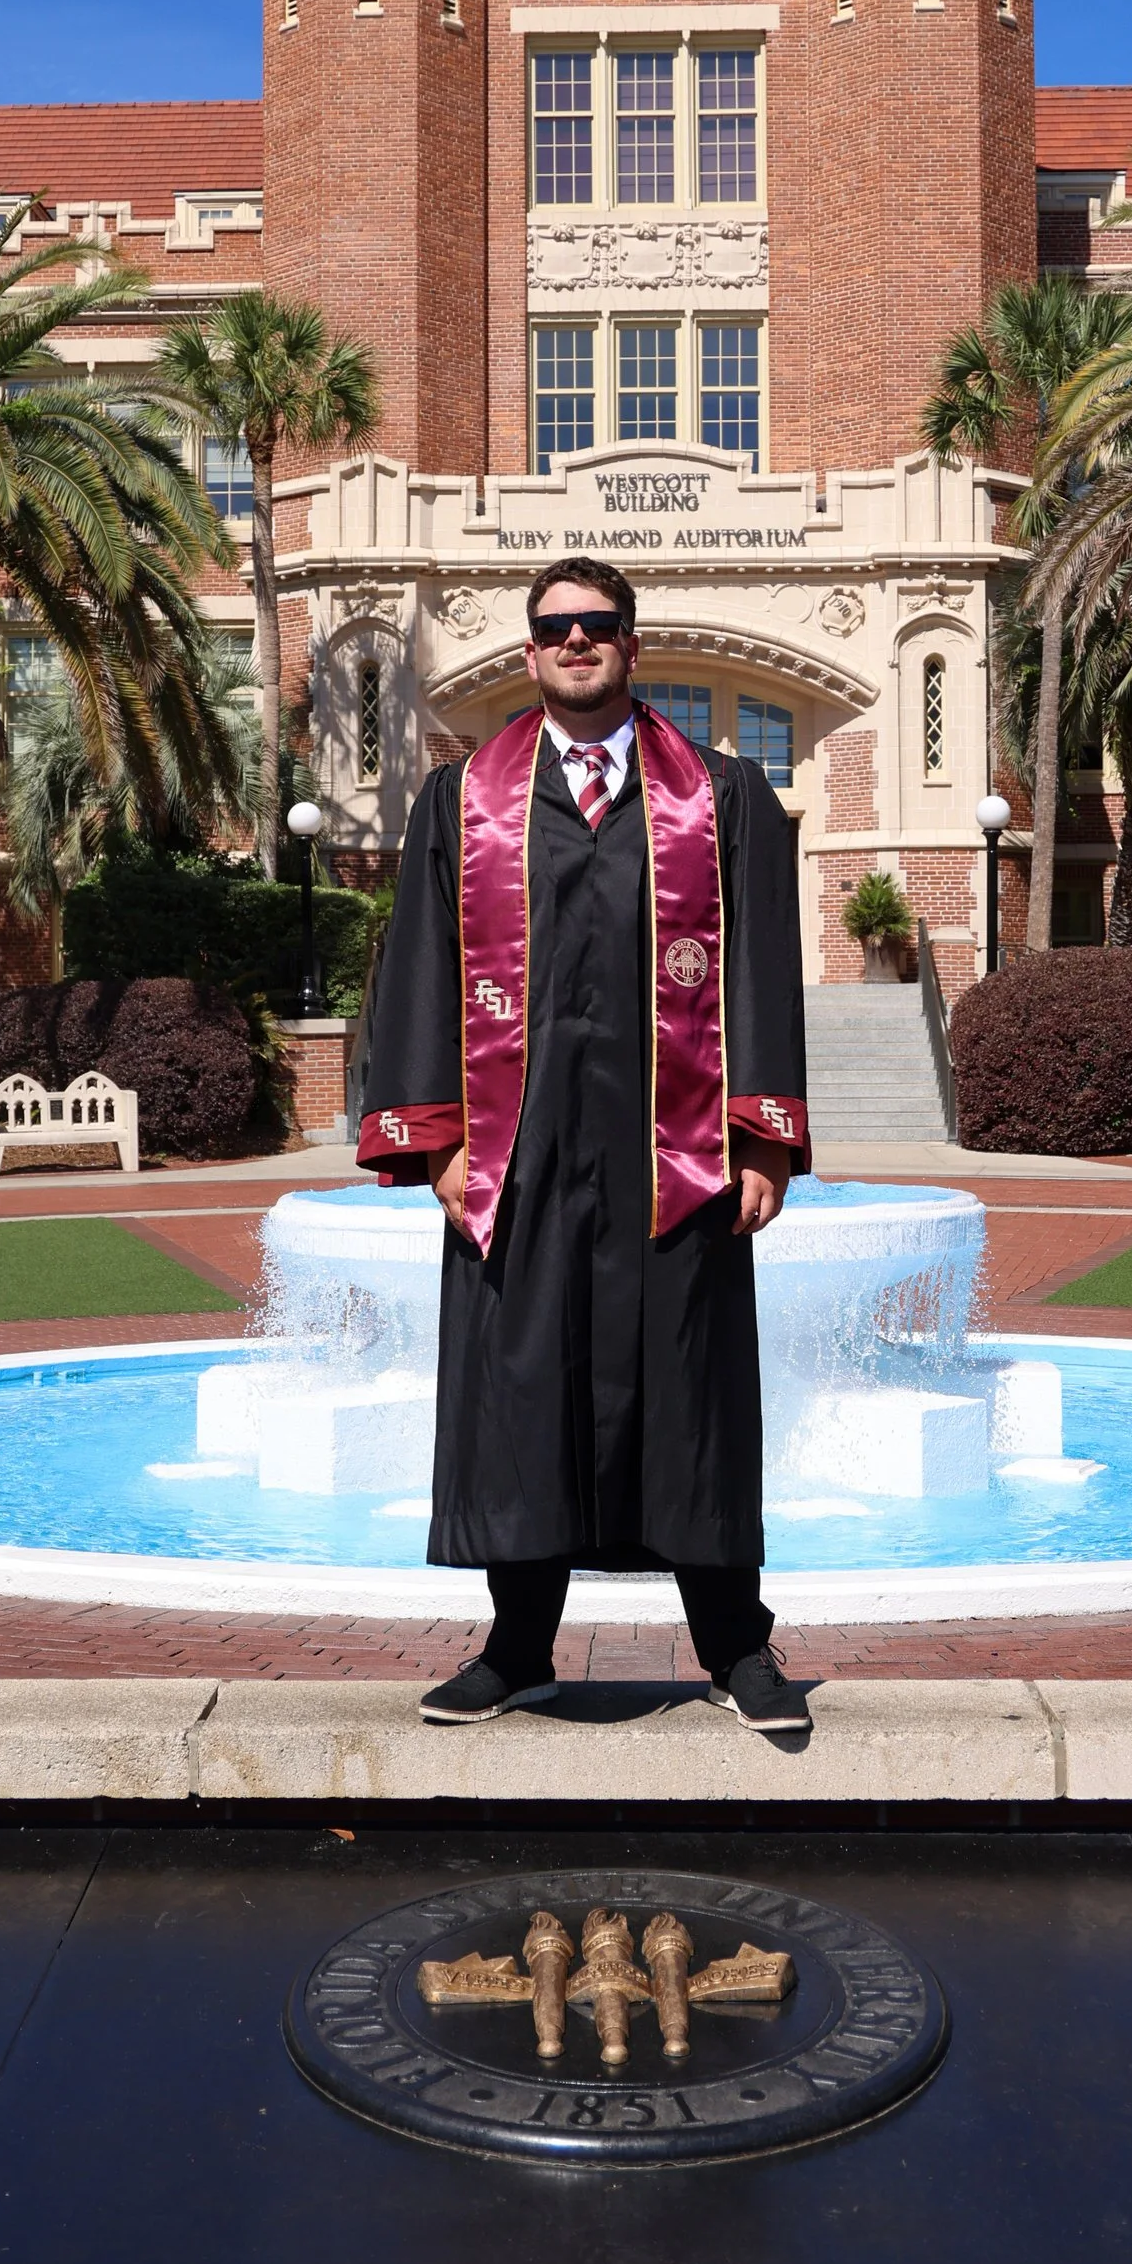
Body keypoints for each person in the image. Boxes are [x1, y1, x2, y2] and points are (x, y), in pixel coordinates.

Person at [359, 556, 811, 1735]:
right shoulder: (462, 799)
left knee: (692, 1391)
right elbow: (417, 969)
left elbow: (763, 967)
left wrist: (763, 1138)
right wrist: (435, 1141)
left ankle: (736, 1645)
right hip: (518, 1149)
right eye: (556, 626)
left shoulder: (721, 795)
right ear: (529, 651)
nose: (576, 640)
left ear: (629, 643)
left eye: (597, 623)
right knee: (522, 1392)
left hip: (678, 1148)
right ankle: (517, 1648)